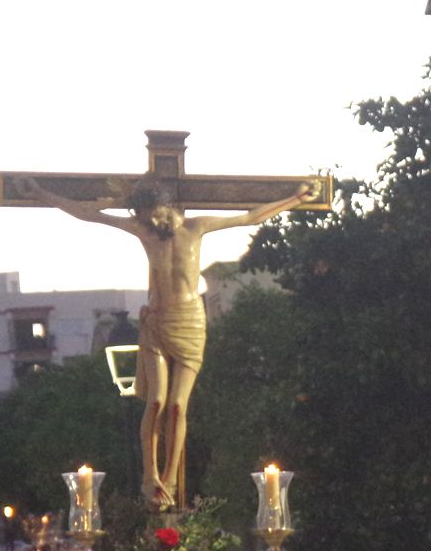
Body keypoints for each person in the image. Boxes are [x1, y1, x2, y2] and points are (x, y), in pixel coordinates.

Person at [20, 174, 318, 508]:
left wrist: (295, 199)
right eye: (140, 215)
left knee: (178, 405)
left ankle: (171, 477)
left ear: (162, 206)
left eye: (146, 213)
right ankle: (151, 477)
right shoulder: (143, 231)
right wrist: (43, 193)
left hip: (190, 322)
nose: (143, 219)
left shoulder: (197, 227)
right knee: (157, 402)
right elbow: (89, 214)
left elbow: (250, 216)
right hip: (157, 323)